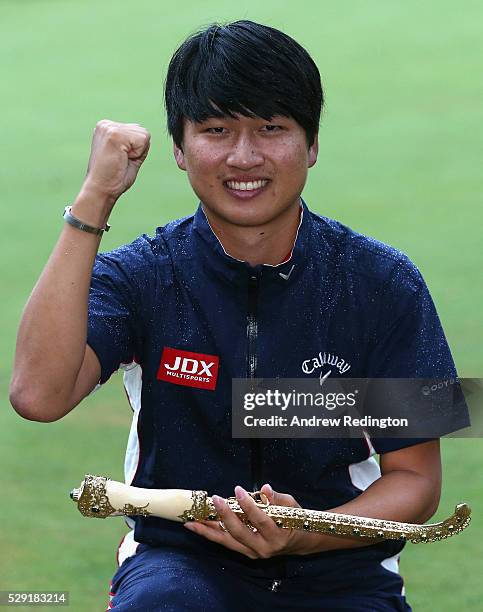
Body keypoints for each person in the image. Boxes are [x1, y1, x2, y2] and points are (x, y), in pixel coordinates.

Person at [10, 20, 464, 611]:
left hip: (342, 569)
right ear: (178, 146)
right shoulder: (143, 276)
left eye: (271, 128)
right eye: (216, 129)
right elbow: (37, 396)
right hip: (178, 566)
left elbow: (418, 483)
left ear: (313, 144)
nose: (243, 156)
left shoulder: (383, 282)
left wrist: (309, 532)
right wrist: (95, 197)